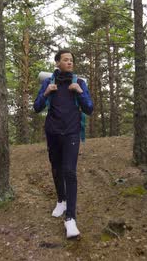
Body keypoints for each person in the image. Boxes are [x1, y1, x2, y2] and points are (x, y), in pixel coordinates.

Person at [33, 49, 94, 239]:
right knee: (56, 168)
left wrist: (80, 92)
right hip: (53, 133)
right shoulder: (48, 82)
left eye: (71, 60)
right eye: (66, 60)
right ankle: (61, 200)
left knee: (69, 171)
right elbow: (36, 107)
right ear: (57, 63)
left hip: (71, 133)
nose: (70, 63)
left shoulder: (79, 83)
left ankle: (71, 219)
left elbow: (89, 109)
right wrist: (45, 93)